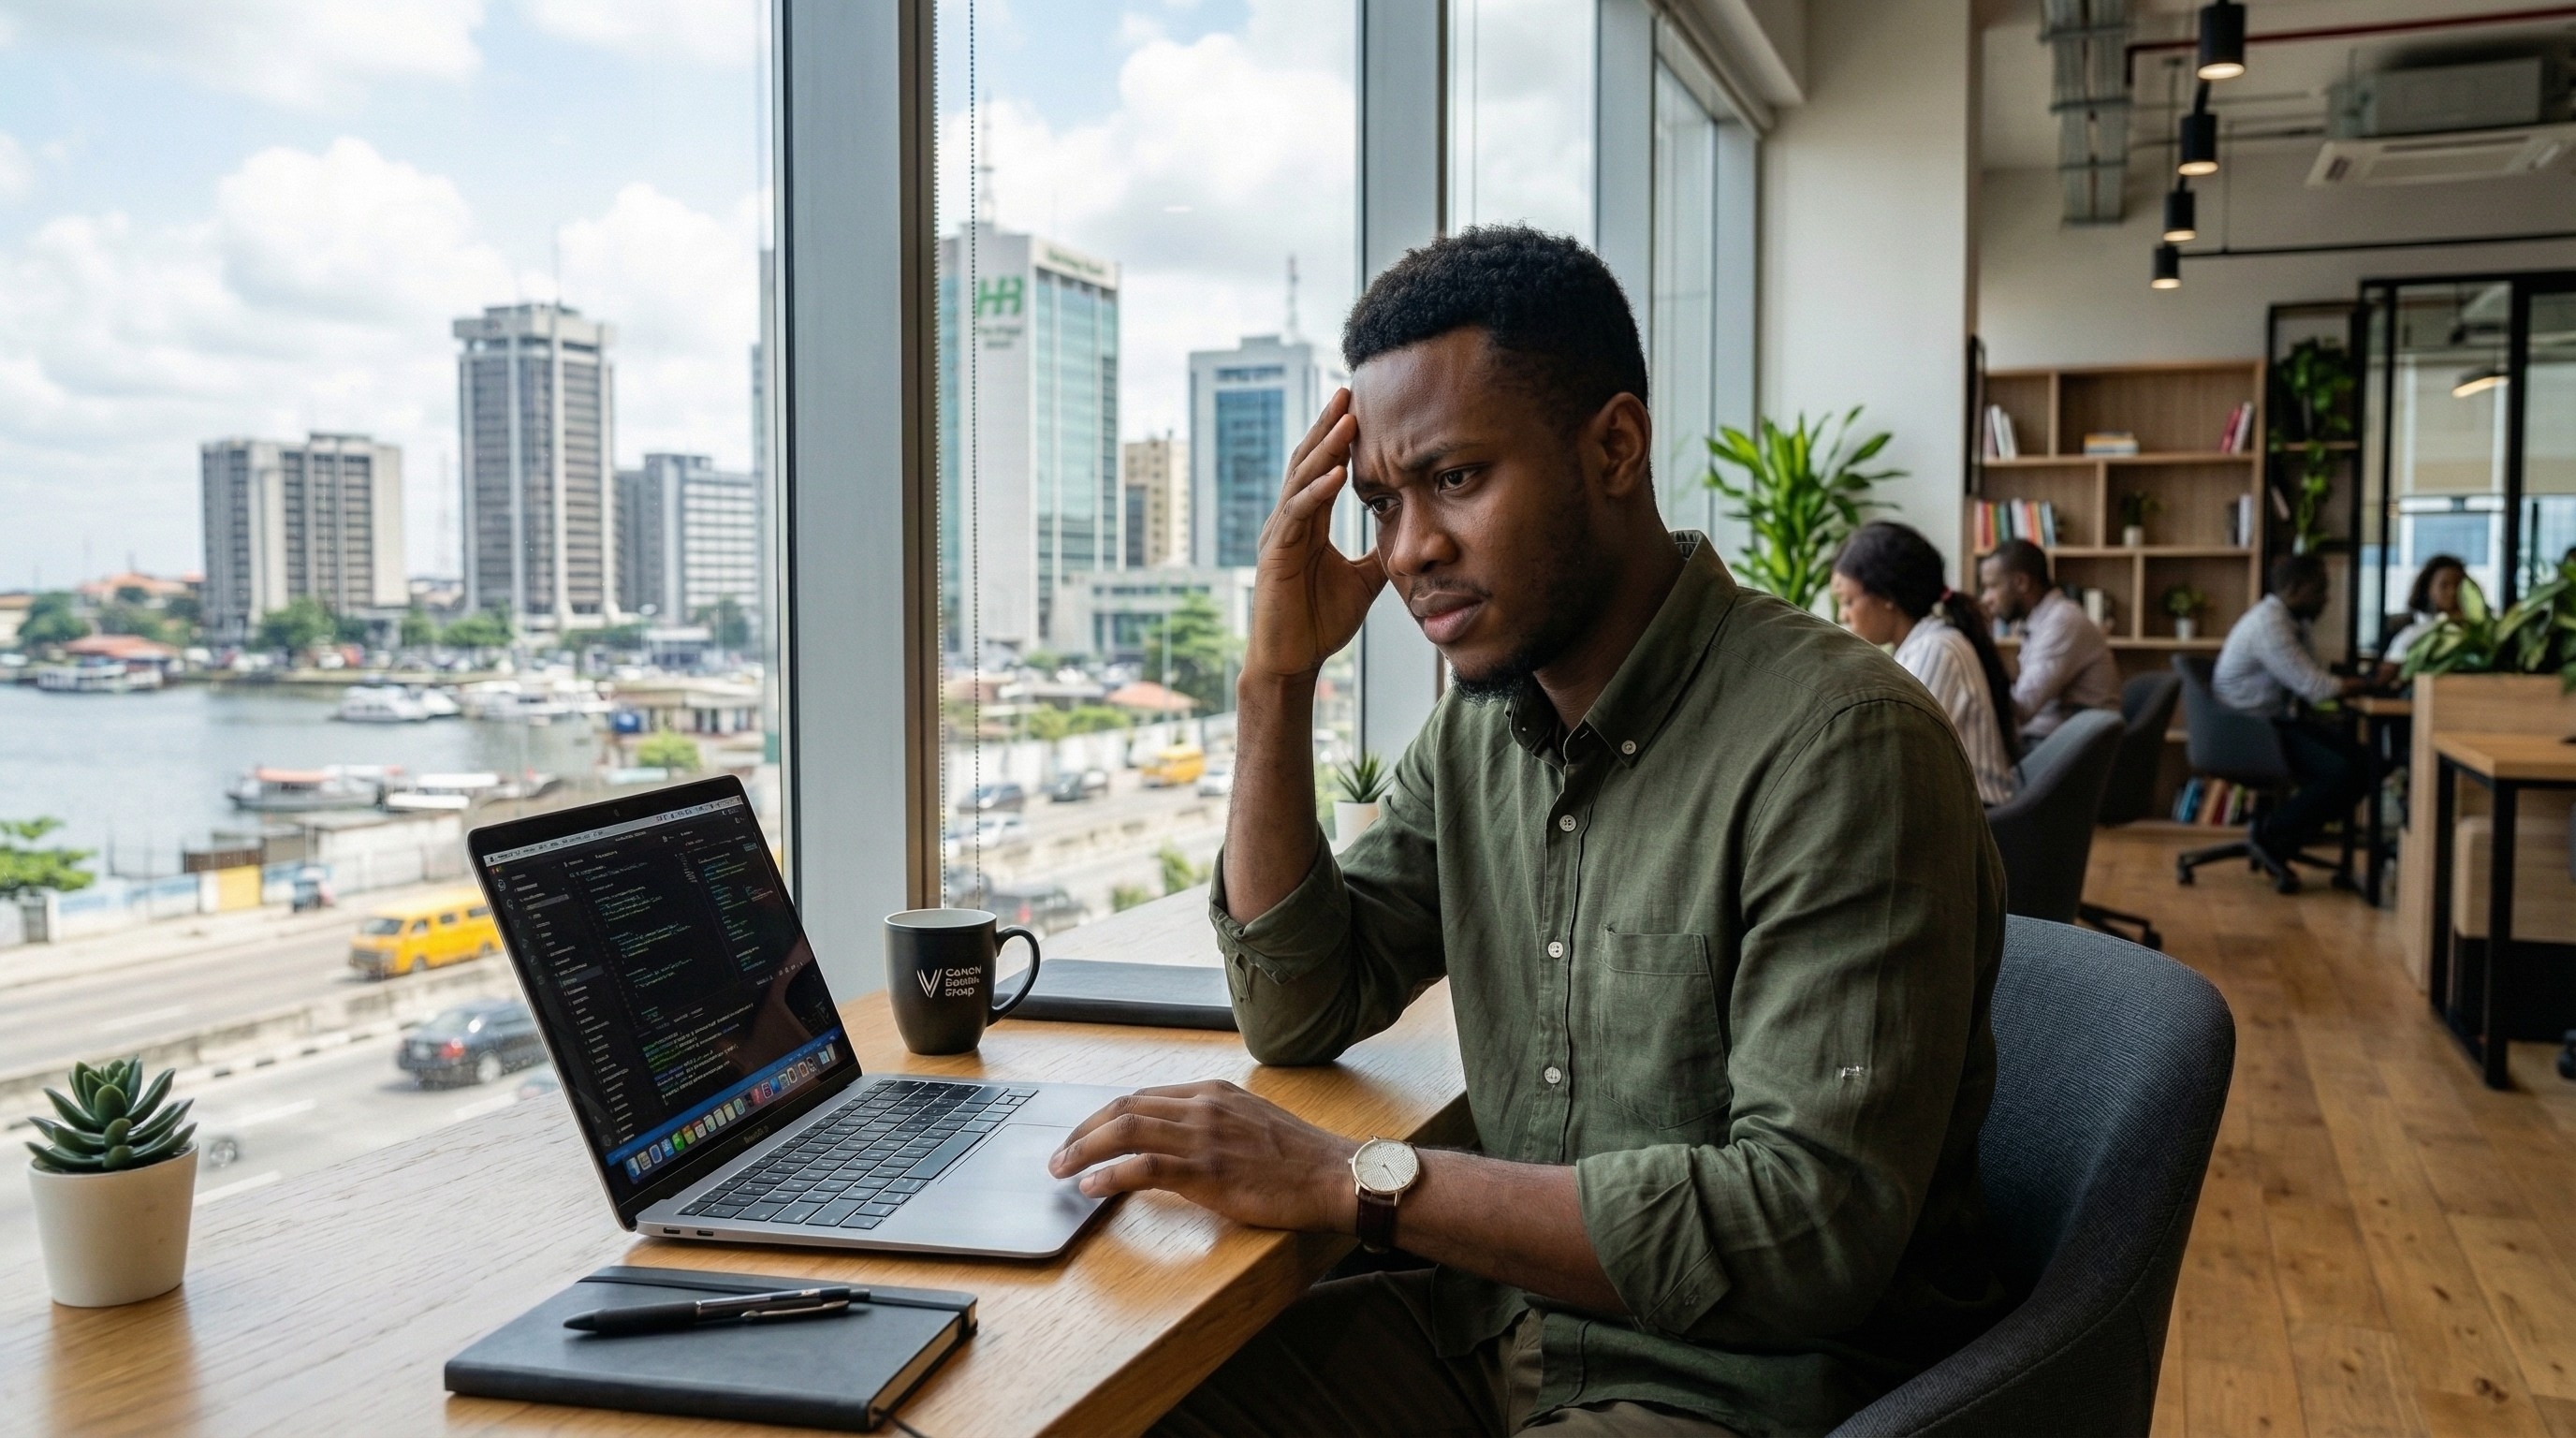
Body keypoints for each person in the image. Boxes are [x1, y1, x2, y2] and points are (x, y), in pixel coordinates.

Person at [1046, 227, 2008, 1438]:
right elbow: (1299, 1004)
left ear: (1614, 445)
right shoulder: (1479, 736)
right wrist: (1274, 681)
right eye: (1383, 504)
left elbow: (1801, 1232)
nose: (1408, 553)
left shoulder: (1842, 745)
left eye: (1454, 480)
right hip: (1498, 1335)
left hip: (1741, 1391)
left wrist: (1347, 1179)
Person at [1831, 522, 2022, 806]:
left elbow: (1896, 757)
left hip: (1976, 819)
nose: (1842, 616)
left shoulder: (1936, 650)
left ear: (1887, 597)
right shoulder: (1923, 644)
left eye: (1847, 601)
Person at [2213, 553, 2373, 867]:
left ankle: (2282, 835)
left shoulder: (2290, 621)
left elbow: (2310, 677)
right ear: (2296, 588)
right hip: (2249, 731)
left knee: (2365, 762)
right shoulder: (2269, 624)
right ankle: (2275, 832)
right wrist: (2371, 682)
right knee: (2343, 772)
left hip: (2267, 723)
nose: (2327, 598)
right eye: (2320, 590)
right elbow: (2316, 687)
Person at [1977, 538, 2120, 741]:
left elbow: (2021, 709)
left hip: (2076, 747)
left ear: (2021, 582)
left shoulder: (2061, 622)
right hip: (2060, 737)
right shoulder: (2042, 621)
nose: (1985, 599)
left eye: (1992, 586)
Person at [2378, 553, 2467, 669]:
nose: (2453, 592)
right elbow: (2384, 677)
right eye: (2444, 586)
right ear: (2428, 588)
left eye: (2459, 585)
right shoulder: (2415, 632)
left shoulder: (2478, 630)